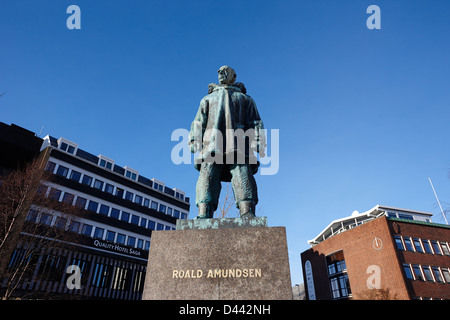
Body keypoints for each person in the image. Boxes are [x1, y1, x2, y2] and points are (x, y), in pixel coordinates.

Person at [188, 66, 266, 219]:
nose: (221, 74)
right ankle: (204, 211)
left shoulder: (245, 99)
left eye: (225, 71)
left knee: (242, 173)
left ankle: (247, 211)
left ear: (234, 76)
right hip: (211, 144)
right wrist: (194, 139)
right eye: (219, 72)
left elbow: (255, 121)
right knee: (208, 174)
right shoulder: (207, 100)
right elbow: (198, 122)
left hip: (239, 144)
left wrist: (258, 141)